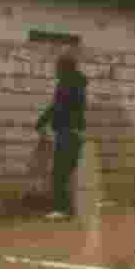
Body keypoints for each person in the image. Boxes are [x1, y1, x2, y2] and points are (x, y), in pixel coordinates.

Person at [35, 53, 88, 220]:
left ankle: (62, 209)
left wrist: (42, 122)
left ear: (63, 68)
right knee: (68, 172)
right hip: (76, 133)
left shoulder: (66, 85)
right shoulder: (78, 84)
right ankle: (71, 208)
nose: (55, 70)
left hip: (67, 133)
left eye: (57, 67)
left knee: (59, 173)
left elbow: (57, 107)